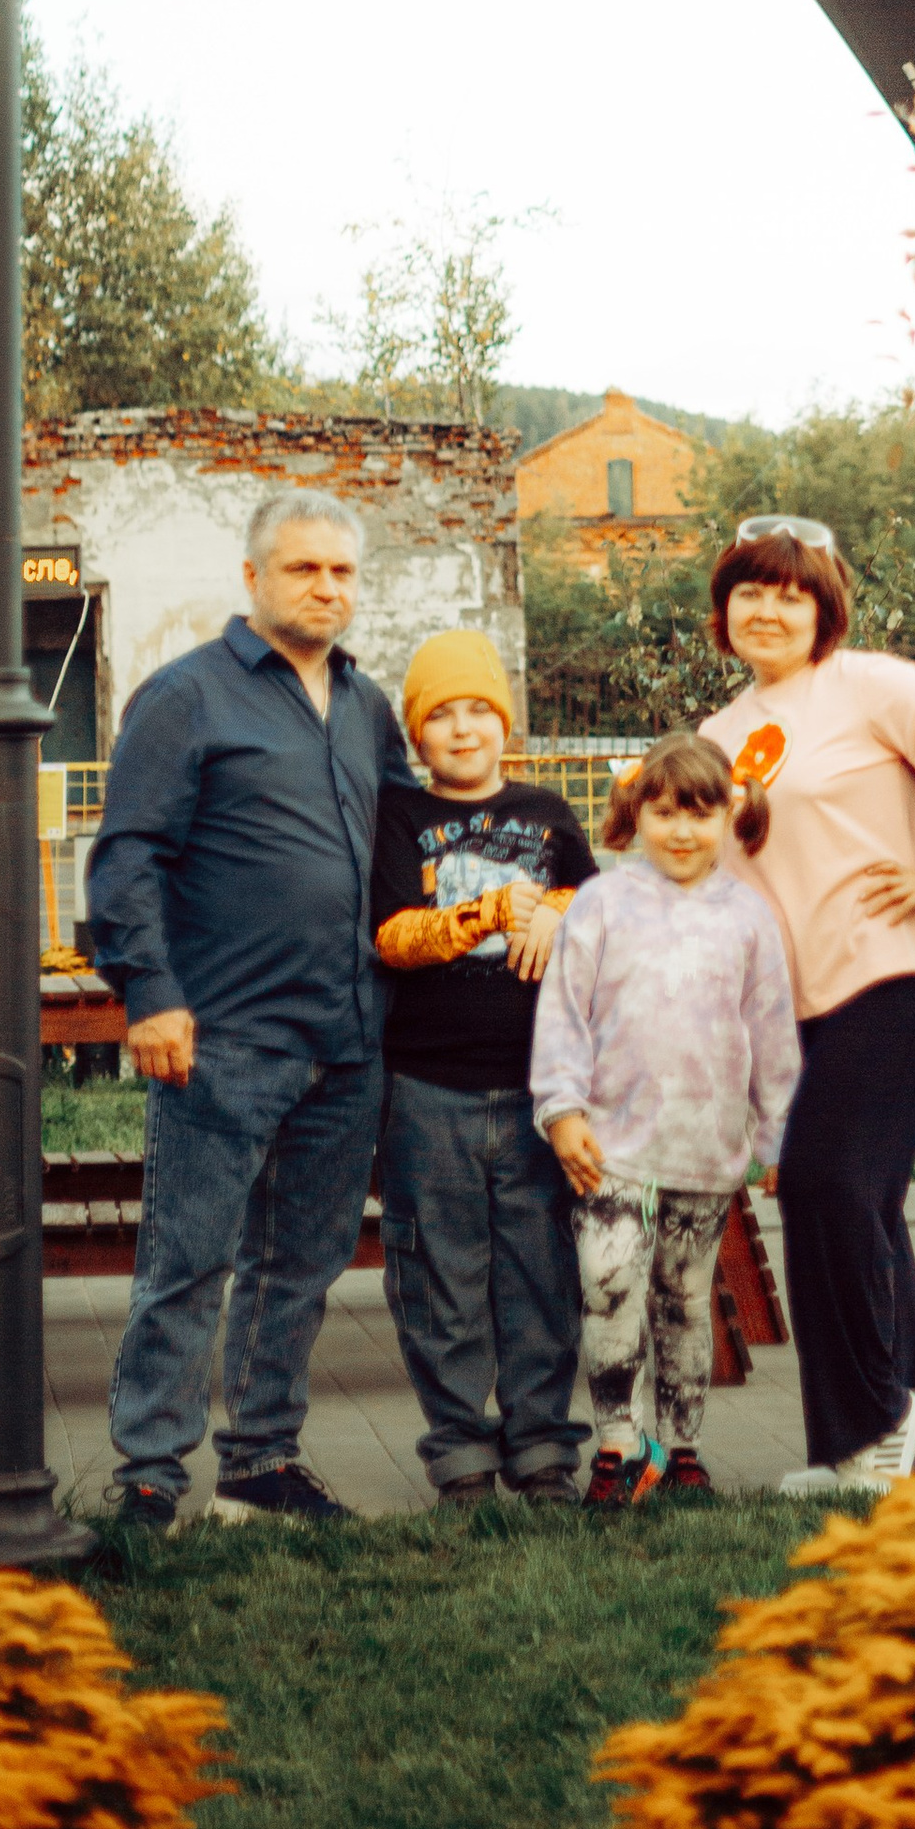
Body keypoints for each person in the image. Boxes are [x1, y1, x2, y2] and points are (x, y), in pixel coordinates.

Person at [89, 490, 413, 1534]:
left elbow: (410, 856)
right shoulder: (186, 697)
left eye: (343, 572)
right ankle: (148, 1473)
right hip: (222, 1036)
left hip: (350, 1037)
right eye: (305, 568)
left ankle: (262, 1460)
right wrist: (150, 993)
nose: (327, 587)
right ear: (253, 579)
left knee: (301, 1267)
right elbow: (128, 855)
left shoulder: (368, 707)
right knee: (186, 1262)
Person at [702, 517, 915, 1492]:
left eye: (791, 593)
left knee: (832, 1190)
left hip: (892, 977)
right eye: (750, 591)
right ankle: (880, 1457)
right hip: (792, 1010)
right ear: (724, 611)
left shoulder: (872, 686)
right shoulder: (720, 736)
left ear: (825, 608)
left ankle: (879, 1446)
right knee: (842, 1211)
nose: (768, 609)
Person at [532, 734, 801, 1501]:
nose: (682, 830)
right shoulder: (601, 905)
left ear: (729, 818)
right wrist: (561, 1110)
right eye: (664, 811)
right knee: (609, 1285)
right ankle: (619, 1441)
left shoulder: (749, 918)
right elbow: (562, 1018)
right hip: (610, 1151)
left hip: (706, 1153)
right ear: (634, 813)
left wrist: (779, 1136)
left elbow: (774, 1038)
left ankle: (683, 1447)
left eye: (701, 813)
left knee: (685, 1304)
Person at [370, 629, 595, 1504]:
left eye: (480, 711)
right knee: (440, 1278)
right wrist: (488, 910)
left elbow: (601, 901)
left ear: (505, 721)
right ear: (418, 735)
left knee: (541, 1276)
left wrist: (559, 913)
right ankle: (461, 1451)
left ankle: (543, 1447)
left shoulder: (546, 812)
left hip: (542, 1092)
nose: (464, 731)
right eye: (441, 716)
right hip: (427, 1090)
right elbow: (392, 935)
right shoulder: (401, 816)